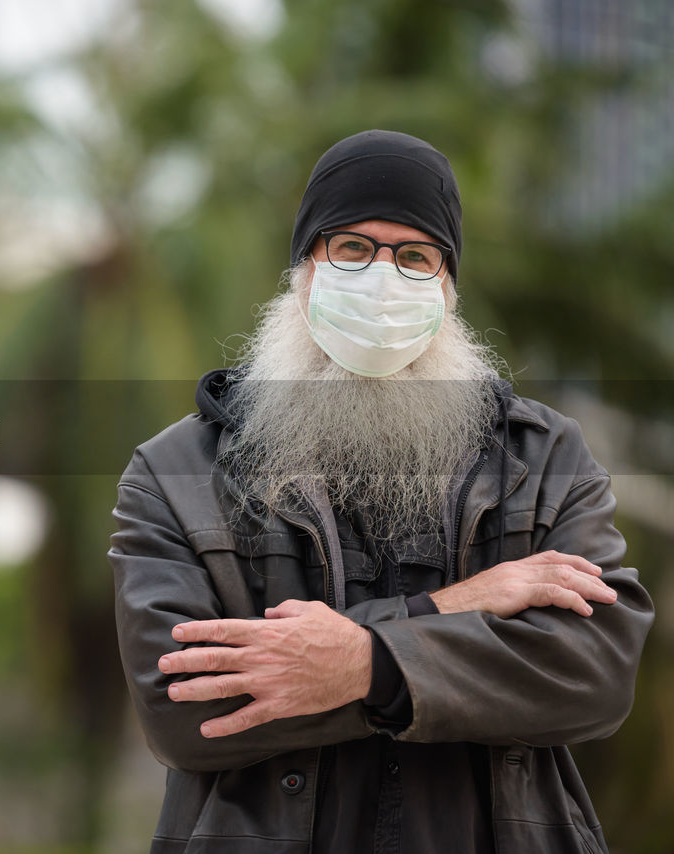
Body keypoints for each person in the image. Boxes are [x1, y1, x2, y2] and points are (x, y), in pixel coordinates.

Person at [107, 129, 654, 854]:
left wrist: (362, 661)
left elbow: (595, 672)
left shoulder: (546, 458)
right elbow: (185, 711)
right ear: (303, 270)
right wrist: (451, 608)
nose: (383, 279)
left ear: (449, 288)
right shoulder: (174, 473)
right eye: (354, 249)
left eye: (415, 257)